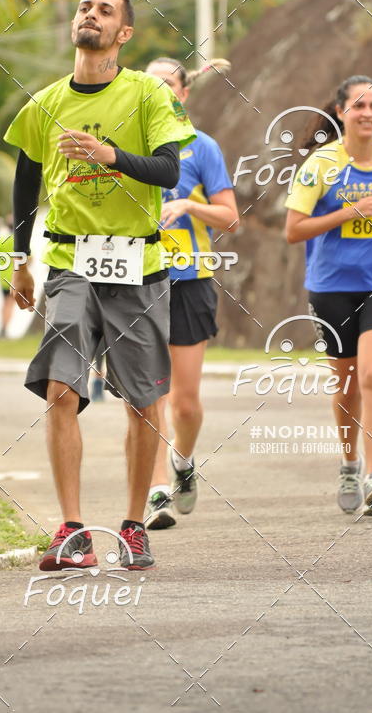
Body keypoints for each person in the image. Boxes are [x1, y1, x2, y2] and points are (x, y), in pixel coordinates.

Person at [5, 0, 196, 570]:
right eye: (85, 7)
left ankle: (134, 526)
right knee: (61, 390)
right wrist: (19, 260)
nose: (91, 14)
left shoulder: (148, 93)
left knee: (142, 401)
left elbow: (168, 171)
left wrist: (109, 155)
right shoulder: (43, 102)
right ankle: (72, 532)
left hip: (138, 264)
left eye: (105, 10)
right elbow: (24, 185)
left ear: (124, 32)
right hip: (69, 264)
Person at [285, 75, 372, 515]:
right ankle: (349, 464)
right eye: (359, 105)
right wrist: (350, 212)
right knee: (347, 386)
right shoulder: (321, 164)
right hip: (331, 286)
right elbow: (294, 230)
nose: (368, 113)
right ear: (342, 112)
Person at [143, 58, 239, 529]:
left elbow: (230, 217)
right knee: (147, 394)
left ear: (183, 94)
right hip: (138, 282)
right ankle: (157, 490)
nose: (160, 93)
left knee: (184, 402)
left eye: (169, 86)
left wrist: (186, 204)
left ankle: (182, 460)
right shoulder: (126, 147)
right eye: (151, 86)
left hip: (190, 282)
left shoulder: (202, 147)